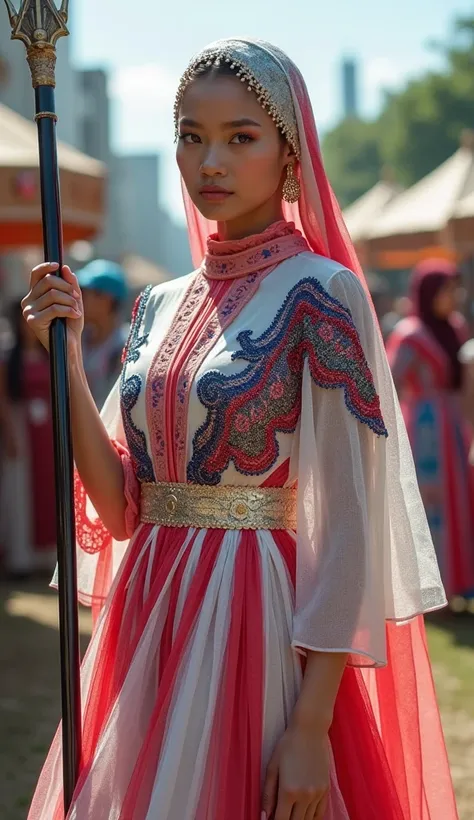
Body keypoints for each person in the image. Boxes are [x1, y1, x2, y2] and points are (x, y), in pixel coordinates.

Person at [23, 39, 456, 820]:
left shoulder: (323, 295)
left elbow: (349, 528)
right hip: (148, 617)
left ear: (290, 151)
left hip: (255, 619)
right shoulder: (156, 305)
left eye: (239, 136)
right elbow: (121, 506)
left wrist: (313, 724)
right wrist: (64, 358)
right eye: (191, 135)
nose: (208, 160)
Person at [387, 260, 474, 605]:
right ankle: (431, 592)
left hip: (453, 425)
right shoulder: (410, 333)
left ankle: (459, 584)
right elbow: (391, 378)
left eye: (456, 289)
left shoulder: (455, 327)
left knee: (460, 503)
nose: (454, 296)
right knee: (429, 506)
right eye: (447, 290)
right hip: (424, 430)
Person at [0, 302, 56, 577]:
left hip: (47, 429)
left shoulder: (51, 352)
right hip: (22, 426)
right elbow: (4, 399)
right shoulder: (9, 358)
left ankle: (46, 557)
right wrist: (10, 434)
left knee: (48, 487)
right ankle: (21, 558)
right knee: (22, 490)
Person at [78, 259, 129, 409]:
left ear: (107, 299)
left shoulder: (129, 346)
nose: (78, 299)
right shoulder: (76, 340)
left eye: (85, 294)